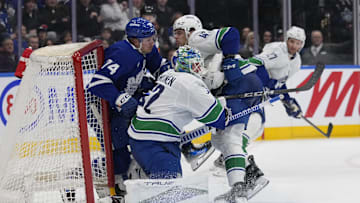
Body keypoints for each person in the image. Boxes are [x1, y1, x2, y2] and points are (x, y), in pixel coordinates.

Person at [173, 14, 265, 202]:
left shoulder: (196, 39)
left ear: (191, 30)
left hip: (239, 83)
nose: (176, 37)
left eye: (179, 32)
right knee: (219, 140)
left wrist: (230, 59)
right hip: (235, 85)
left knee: (231, 137)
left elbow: (231, 34)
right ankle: (252, 174)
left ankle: (240, 188)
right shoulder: (189, 51)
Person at [88, 17, 169, 197]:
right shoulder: (122, 53)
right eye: (148, 39)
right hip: (100, 106)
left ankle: (120, 182)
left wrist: (173, 76)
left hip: (120, 104)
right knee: (118, 153)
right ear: (136, 40)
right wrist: (119, 98)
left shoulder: (145, 49)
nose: (152, 42)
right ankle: (95, 179)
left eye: (152, 38)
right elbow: (97, 83)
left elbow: (159, 66)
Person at [127, 45, 228, 179]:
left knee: (159, 186)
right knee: (169, 191)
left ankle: (139, 176)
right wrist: (225, 110)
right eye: (195, 65)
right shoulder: (190, 83)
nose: (199, 69)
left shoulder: (168, 74)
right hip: (155, 142)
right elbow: (217, 119)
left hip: (141, 136)